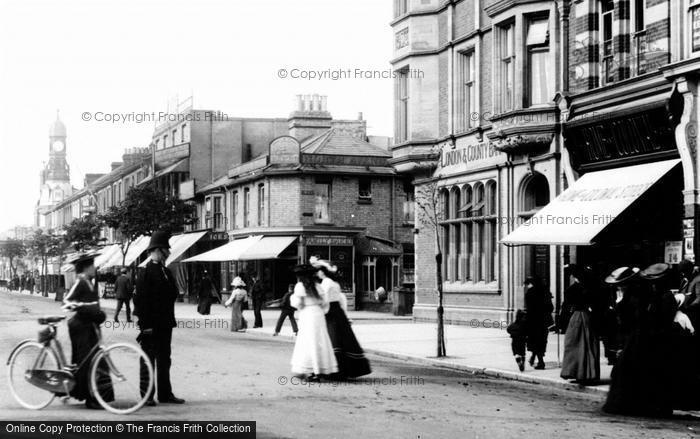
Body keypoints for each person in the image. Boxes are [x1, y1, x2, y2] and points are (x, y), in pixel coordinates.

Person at [134, 231, 185, 406]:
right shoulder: (145, 272)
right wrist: (145, 325)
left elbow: (172, 293)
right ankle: (147, 395)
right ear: (158, 250)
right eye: (166, 249)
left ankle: (165, 393)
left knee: (165, 359)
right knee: (148, 359)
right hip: (151, 325)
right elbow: (140, 301)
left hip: (165, 324)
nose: (169, 253)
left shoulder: (165, 270)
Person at [62, 251, 113, 409]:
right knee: (87, 362)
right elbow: (67, 302)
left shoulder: (90, 282)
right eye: (92, 265)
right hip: (80, 327)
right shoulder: (80, 282)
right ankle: (91, 398)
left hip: (89, 326)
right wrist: (88, 309)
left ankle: (97, 397)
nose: (94, 268)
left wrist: (95, 313)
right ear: (85, 268)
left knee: (97, 360)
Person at [312, 257, 371, 379]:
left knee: (332, 340)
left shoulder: (326, 283)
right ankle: (345, 370)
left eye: (319, 270)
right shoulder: (335, 283)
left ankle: (334, 370)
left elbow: (325, 300)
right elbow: (341, 299)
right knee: (344, 340)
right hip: (338, 313)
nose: (318, 273)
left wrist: (320, 311)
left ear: (323, 271)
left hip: (330, 313)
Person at [290, 264, 338, 380]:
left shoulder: (300, 286)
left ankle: (310, 369)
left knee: (307, 341)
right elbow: (325, 302)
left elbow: (298, 303)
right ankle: (321, 368)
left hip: (307, 313)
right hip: (318, 314)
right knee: (320, 340)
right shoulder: (318, 286)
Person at [560, 264, 600, 383]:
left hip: (576, 318)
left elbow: (566, 307)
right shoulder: (590, 289)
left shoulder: (571, 290)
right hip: (588, 317)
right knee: (589, 345)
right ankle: (589, 373)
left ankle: (576, 372)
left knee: (574, 345)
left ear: (574, 277)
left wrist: (561, 323)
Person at [523, 276, 553, 370]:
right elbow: (550, 308)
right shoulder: (545, 292)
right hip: (543, 320)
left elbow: (528, 308)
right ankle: (533, 358)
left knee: (534, 341)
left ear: (530, 284)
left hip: (533, 320)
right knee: (541, 340)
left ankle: (540, 362)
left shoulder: (530, 293)